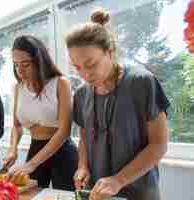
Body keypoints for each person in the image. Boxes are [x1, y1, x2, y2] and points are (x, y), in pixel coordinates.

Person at [66, 7, 170, 200]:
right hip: (98, 192)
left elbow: (159, 144)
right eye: (77, 67)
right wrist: (82, 165)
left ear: (109, 52)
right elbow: (83, 136)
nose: (85, 75)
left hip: (140, 192)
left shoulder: (142, 82)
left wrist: (118, 180)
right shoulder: (81, 94)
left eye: (91, 64)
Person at [3, 35, 78, 191]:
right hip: (35, 148)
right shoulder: (18, 88)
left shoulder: (60, 83)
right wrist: (12, 149)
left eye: (26, 64)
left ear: (40, 60)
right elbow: (17, 126)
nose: (20, 70)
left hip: (62, 150)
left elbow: (64, 131)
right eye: (16, 65)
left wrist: (30, 164)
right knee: (29, 195)